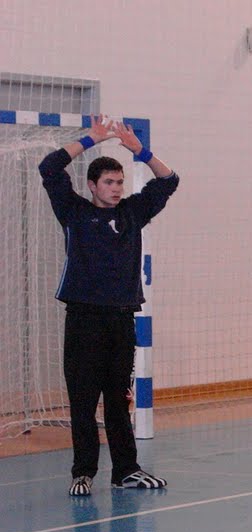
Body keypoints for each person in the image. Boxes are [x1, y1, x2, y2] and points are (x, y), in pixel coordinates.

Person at [39, 116, 179, 497]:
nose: (116, 189)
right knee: (83, 401)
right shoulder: (74, 212)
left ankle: (126, 471)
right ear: (92, 185)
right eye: (109, 183)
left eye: (120, 182)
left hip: (121, 320)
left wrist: (140, 151)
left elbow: (169, 180)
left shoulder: (132, 213)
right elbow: (49, 167)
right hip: (84, 319)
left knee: (119, 399)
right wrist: (91, 139)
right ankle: (83, 472)